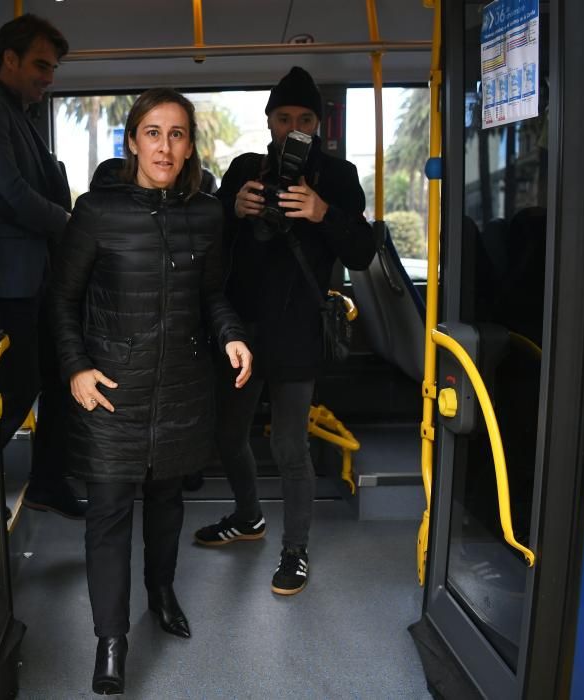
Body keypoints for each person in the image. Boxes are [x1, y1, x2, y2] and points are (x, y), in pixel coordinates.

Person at [51, 88, 253, 696]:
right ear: (133, 140)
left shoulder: (207, 214)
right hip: (111, 389)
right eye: (154, 133)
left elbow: (212, 294)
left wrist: (232, 336)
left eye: (178, 134)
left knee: (166, 501)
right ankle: (111, 643)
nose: (166, 146)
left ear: (191, 145)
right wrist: (76, 370)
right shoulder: (95, 212)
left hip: (182, 389)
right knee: (109, 515)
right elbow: (60, 300)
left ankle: (161, 592)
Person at [193, 67, 376, 596]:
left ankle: (295, 551)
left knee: (291, 446)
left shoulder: (337, 177)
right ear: (269, 120)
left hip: (298, 329)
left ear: (318, 124)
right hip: (241, 328)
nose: (293, 126)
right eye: (284, 117)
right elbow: (210, 241)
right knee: (229, 434)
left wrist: (322, 213)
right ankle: (249, 517)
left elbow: (361, 252)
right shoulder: (245, 169)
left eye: (304, 119)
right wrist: (233, 208)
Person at [0, 15, 85, 518]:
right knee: (22, 383)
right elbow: (9, 194)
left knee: (59, 374)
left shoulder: (19, 114)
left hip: (36, 276)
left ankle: (49, 480)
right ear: (9, 59)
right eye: (41, 66)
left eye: (52, 69)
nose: (49, 78)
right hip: (9, 281)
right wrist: (71, 223)